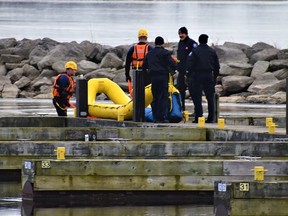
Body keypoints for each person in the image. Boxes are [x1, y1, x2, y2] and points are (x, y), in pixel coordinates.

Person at [142, 36, 177, 123]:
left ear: (155, 43)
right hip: (163, 77)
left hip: (153, 78)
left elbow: (144, 66)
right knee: (163, 97)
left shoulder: (149, 53)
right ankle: (161, 118)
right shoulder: (165, 53)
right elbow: (173, 64)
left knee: (155, 97)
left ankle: (155, 117)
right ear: (162, 43)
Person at [187, 34, 220, 123]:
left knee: (197, 97)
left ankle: (198, 117)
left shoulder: (195, 51)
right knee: (210, 98)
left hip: (197, 76)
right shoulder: (212, 51)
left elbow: (189, 64)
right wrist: (214, 77)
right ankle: (211, 118)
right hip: (209, 75)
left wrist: (191, 75)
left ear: (199, 40)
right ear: (206, 40)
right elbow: (217, 66)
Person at [176, 27, 198, 111]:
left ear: (186, 34)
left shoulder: (192, 43)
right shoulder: (180, 43)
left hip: (190, 72)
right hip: (181, 71)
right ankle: (181, 108)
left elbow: (196, 57)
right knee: (180, 89)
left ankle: (197, 111)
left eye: (182, 34)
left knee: (193, 91)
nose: (180, 35)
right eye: (179, 34)